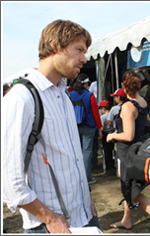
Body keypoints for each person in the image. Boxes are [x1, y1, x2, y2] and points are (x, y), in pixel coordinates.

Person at [2, 19, 101, 233]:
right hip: (51, 226)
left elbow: (72, 157)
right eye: (79, 50)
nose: (84, 59)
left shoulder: (63, 95)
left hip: (85, 216)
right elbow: (9, 180)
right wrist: (50, 219)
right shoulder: (22, 98)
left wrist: (86, 202)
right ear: (55, 46)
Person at [107, 71, 150, 233]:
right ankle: (127, 220)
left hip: (126, 151)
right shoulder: (143, 101)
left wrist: (112, 135)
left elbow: (128, 135)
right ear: (139, 86)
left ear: (123, 86)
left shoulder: (129, 106)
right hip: (137, 148)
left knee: (131, 190)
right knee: (128, 185)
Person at [70, 73, 103, 185]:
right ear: (86, 83)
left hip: (74, 127)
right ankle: (87, 177)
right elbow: (95, 114)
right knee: (87, 152)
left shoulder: (70, 95)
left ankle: (76, 177)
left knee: (76, 152)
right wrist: (99, 128)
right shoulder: (90, 96)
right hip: (88, 126)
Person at [99, 100, 116, 173]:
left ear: (103, 108)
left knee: (107, 152)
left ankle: (108, 167)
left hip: (106, 134)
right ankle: (114, 165)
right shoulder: (113, 115)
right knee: (114, 151)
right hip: (113, 133)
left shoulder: (103, 117)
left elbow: (101, 127)